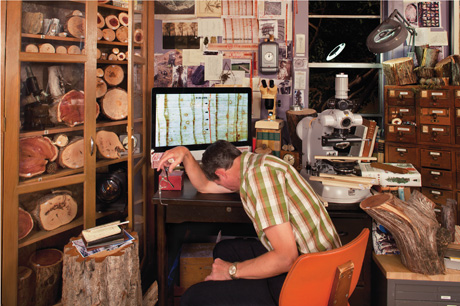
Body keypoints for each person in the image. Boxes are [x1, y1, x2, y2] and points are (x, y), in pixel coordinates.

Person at [157, 140, 341, 306]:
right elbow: (205, 187)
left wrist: (231, 270)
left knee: (193, 297)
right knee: (223, 251)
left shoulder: (259, 179)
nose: (221, 186)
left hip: (311, 280)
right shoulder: (253, 164)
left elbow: (286, 258)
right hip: (315, 261)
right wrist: (186, 154)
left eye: (218, 180)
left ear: (221, 173)